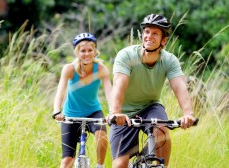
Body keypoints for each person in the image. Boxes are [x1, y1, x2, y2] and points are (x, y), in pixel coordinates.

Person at [108, 14, 196, 168]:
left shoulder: (169, 60)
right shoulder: (127, 55)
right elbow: (119, 84)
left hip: (150, 107)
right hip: (123, 113)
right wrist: (116, 112)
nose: (149, 36)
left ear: (163, 41)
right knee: (119, 165)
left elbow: (180, 87)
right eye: (147, 32)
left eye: (155, 33)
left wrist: (188, 114)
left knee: (162, 129)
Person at [53, 33, 112, 168]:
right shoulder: (69, 69)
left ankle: (100, 166)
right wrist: (57, 112)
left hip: (93, 112)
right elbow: (60, 93)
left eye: (90, 50)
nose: (87, 54)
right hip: (70, 114)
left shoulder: (101, 69)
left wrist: (113, 112)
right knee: (67, 161)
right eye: (82, 51)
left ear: (95, 51)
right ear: (77, 52)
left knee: (101, 135)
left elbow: (110, 93)